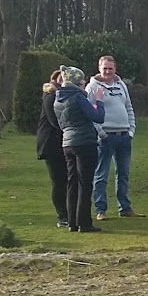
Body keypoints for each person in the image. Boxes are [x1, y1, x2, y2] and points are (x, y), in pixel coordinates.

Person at [53, 66, 105, 232]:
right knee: (85, 183)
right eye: (83, 83)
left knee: (72, 183)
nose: (84, 86)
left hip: (67, 143)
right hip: (84, 143)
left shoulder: (57, 99)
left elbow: (61, 124)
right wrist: (99, 101)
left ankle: (72, 222)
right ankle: (84, 222)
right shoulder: (78, 97)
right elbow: (98, 117)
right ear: (77, 83)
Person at [86, 55, 137, 220]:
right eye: (105, 68)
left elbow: (128, 107)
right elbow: (90, 113)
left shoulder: (121, 85)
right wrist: (101, 133)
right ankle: (100, 210)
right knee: (101, 174)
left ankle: (125, 208)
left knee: (123, 174)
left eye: (111, 68)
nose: (108, 71)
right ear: (99, 69)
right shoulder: (92, 87)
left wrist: (131, 131)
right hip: (105, 137)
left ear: (115, 69)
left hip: (124, 136)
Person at [36, 70, 69, 228]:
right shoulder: (50, 96)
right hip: (51, 144)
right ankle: (62, 216)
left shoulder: (62, 96)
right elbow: (54, 121)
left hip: (62, 142)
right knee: (58, 181)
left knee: (66, 180)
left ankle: (69, 213)